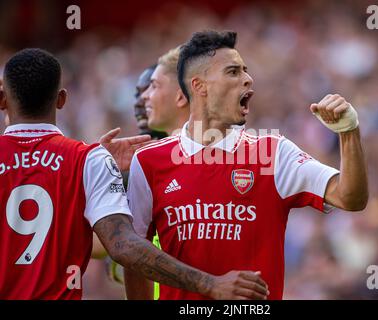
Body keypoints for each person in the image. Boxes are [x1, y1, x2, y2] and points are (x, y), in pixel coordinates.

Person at [0, 48, 269, 300]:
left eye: (152, 87)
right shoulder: (87, 160)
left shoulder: (92, 160)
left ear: (3, 99)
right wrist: (211, 284)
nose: (142, 99)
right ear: (61, 100)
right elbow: (122, 246)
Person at [126, 30, 368, 300]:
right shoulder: (148, 161)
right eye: (233, 72)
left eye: (245, 71)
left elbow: (351, 197)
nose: (248, 79)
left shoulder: (272, 153)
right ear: (199, 86)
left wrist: (349, 131)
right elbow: (134, 255)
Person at [124, 46, 190, 300]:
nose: (142, 100)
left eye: (152, 87)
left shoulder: (225, 154)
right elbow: (106, 247)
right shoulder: (138, 163)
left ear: (181, 95)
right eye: (139, 93)